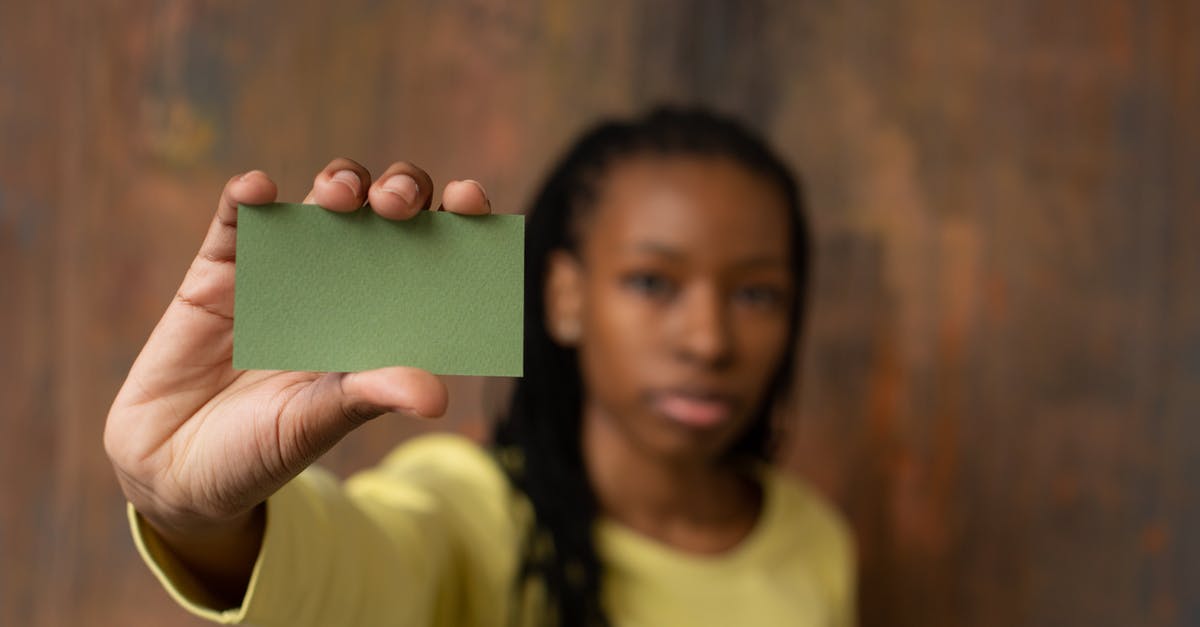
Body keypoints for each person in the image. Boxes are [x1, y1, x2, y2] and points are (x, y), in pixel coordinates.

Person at [104, 108, 855, 626]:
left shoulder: (815, 538)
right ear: (564, 297)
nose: (709, 341)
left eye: (756, 292)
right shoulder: (472, 509)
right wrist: (201, 518)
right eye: (652, 282)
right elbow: (356, 569)